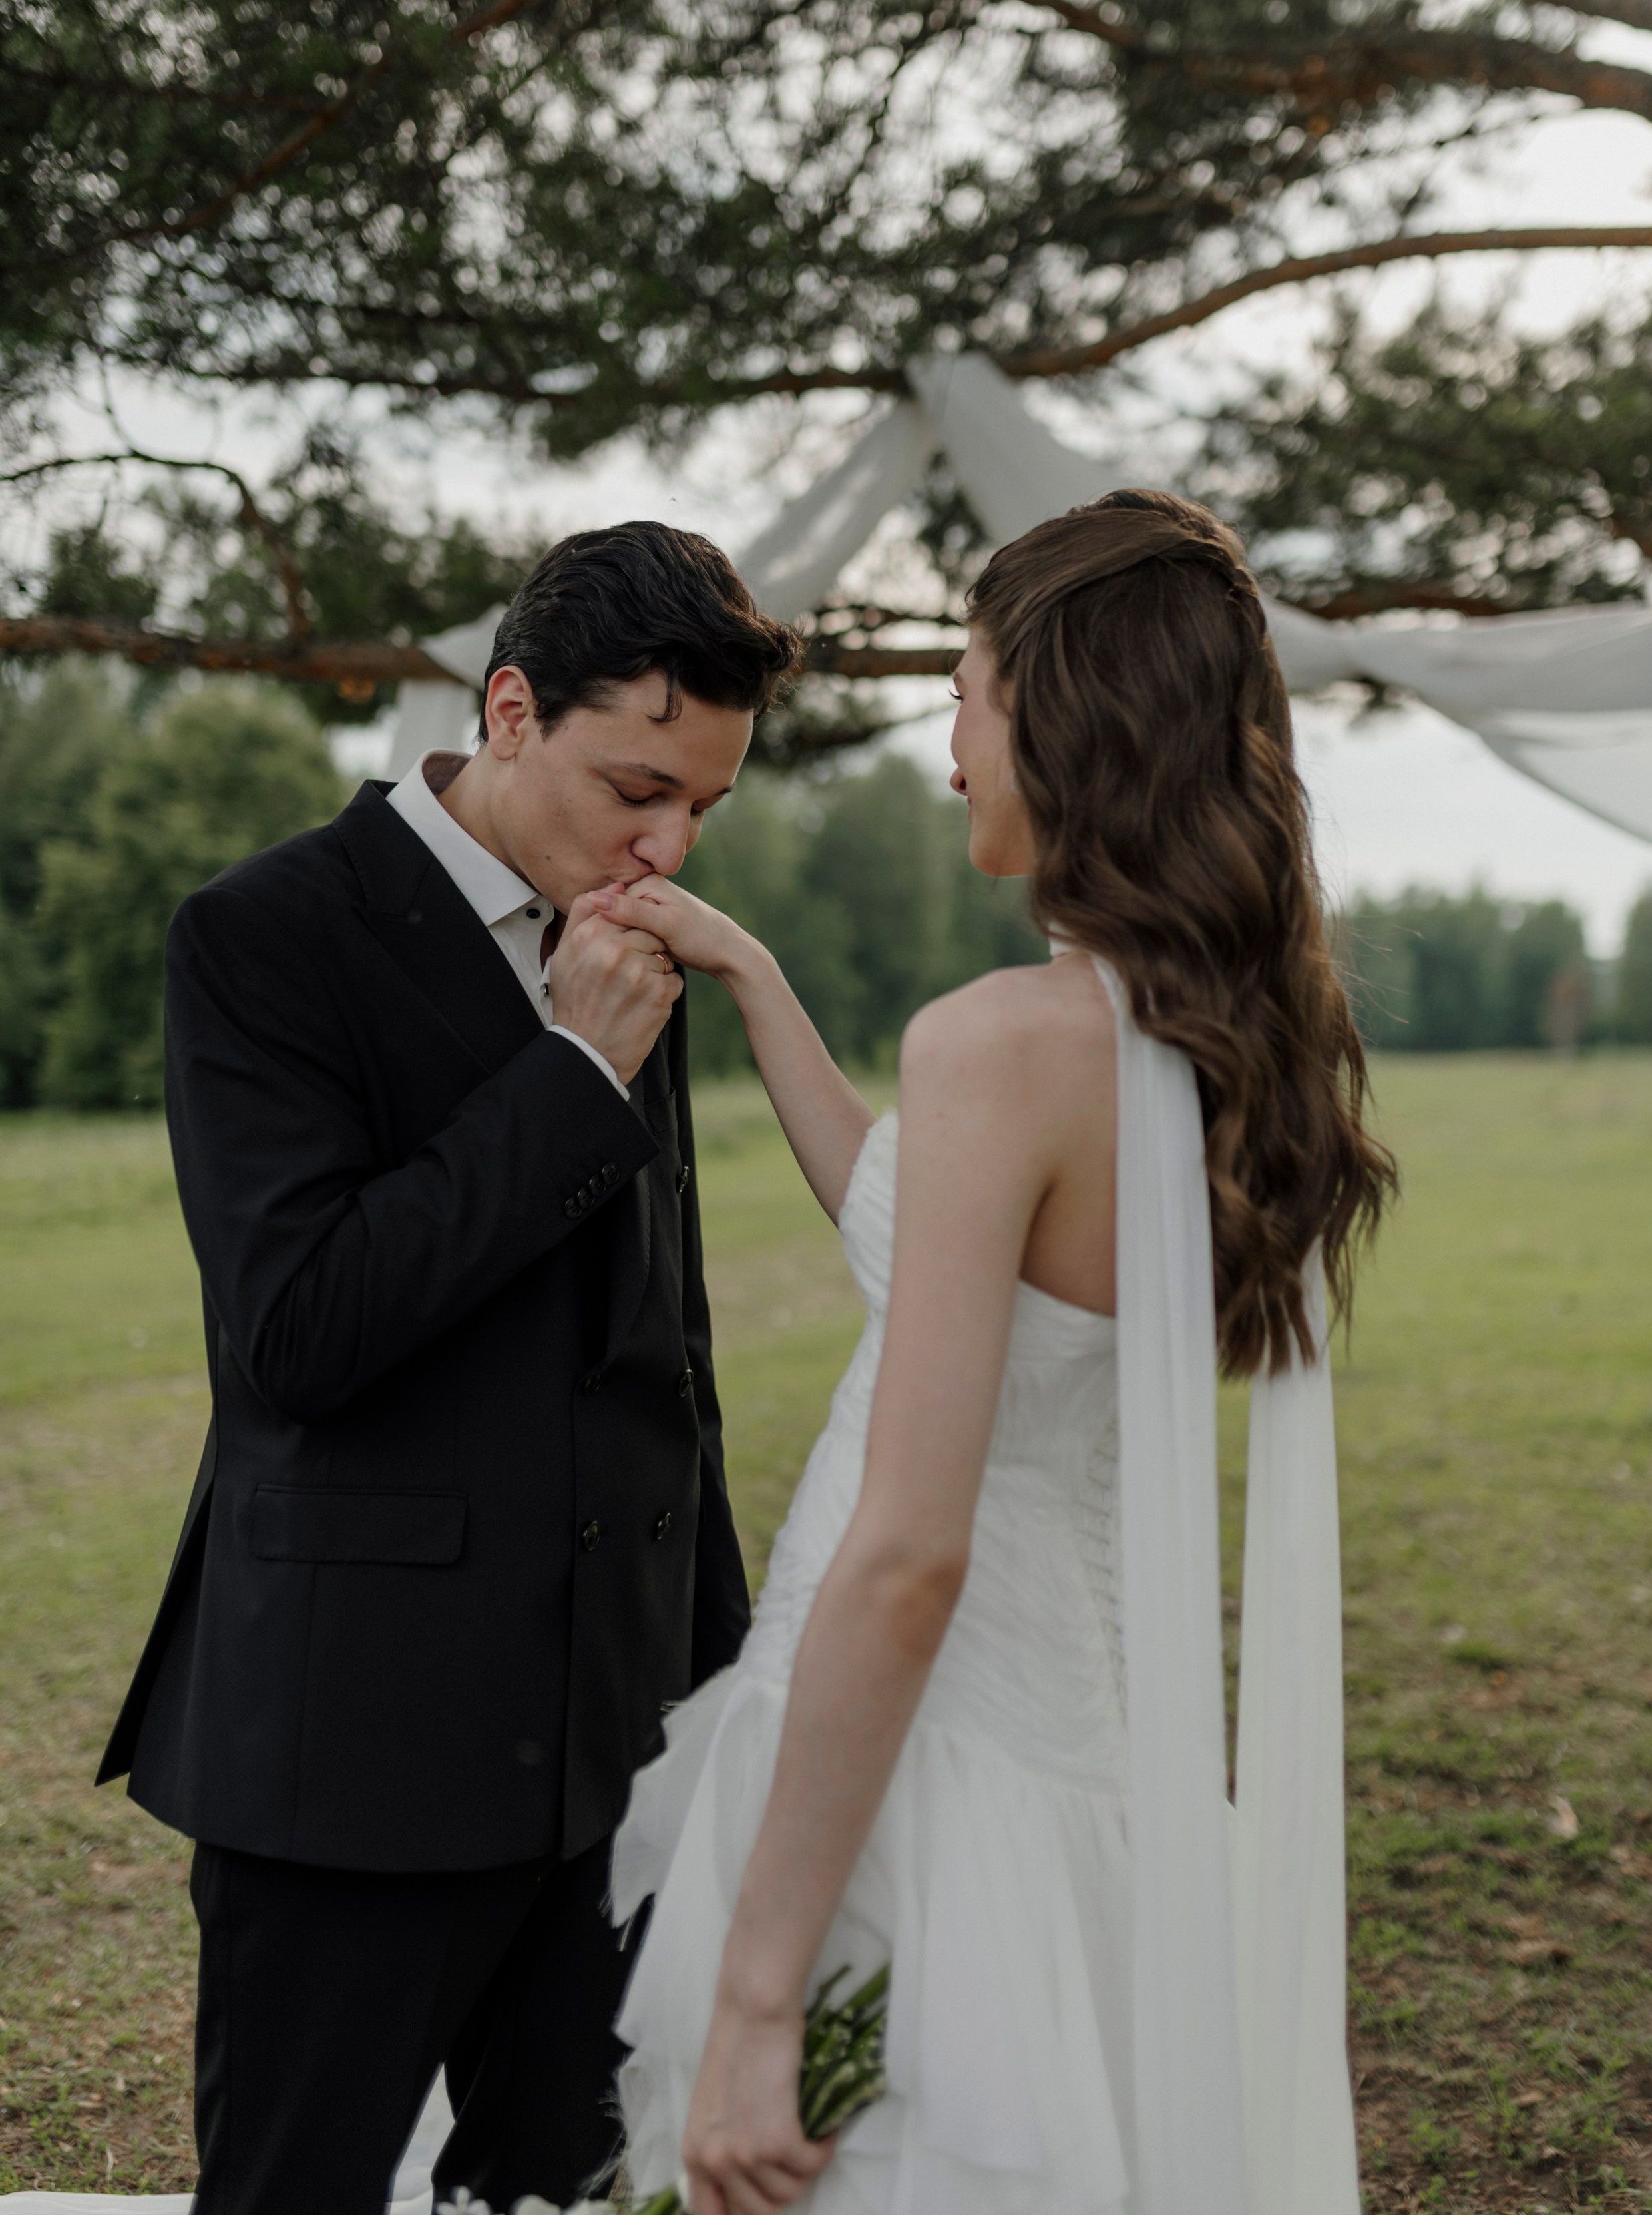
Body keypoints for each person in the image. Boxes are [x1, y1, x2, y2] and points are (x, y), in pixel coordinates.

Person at [599, 491, 1396, 2215]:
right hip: (1090, 1760)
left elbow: (909, 1558)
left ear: (1061, 710)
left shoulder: (999, 1051)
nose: (953, 745)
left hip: (921, 1769)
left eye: (967, 689)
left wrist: (756, 1997)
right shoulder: (1200, 1043)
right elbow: (925, 1239)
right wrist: (752, 975)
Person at [95, 524, 799, 2215]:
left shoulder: (632, 936)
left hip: (616, 1741)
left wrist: (711, 1687)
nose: (667, 841)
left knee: (567, 2201)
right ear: (505, 709)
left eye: (703, 803)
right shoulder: (263, 935)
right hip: (354, 1747)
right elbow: (296, 1336)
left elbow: (663, 1354)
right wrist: (567, 1067)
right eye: (638, 785)